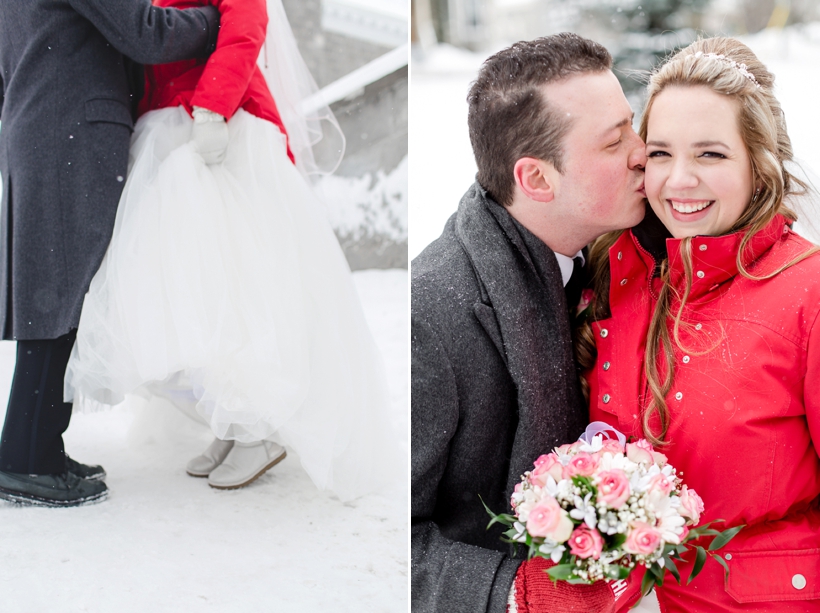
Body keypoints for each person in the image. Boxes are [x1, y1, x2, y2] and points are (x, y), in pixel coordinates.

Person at [63, 0, 394, 501]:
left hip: (217, 125)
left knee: (239, 282)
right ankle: (233, 418)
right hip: (167, 126)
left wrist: (213, 108)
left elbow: (246, 24)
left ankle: (257, 429)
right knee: (187, 288)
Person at [580, 37, 820, 612]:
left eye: (710, 155)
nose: (678, 181)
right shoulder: (617, 271)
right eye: (660, 153)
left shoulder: (807, 293)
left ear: (759, 167)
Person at [411, 33, 648, 613]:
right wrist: (513, 593)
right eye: (615, 142)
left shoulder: (629, 256)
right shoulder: (432, 315)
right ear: (537, 179)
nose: (644, 153)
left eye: (632, 126)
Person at [0, 0, 220, 507]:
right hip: (70, 129)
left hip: (39, 125)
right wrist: (214, 19)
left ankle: (38, 449)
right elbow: (145, 33)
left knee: (58, 296)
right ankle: (25, 461)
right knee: (59, 300)